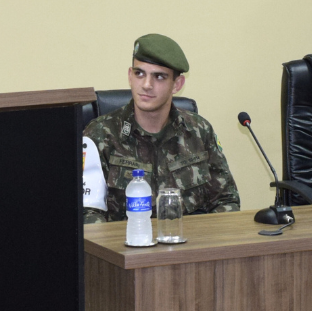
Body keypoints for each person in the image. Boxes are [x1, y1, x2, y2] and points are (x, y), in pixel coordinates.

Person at [82, 33, 240, 223]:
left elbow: (226, 201)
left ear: (177, 85)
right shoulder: (100, 135)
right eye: (139, 74)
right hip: (127, 240)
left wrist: (205, 238)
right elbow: (87, 214)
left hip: (189, 239)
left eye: (159, 76)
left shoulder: (199, 131)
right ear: (130, 76)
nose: (146, 85)